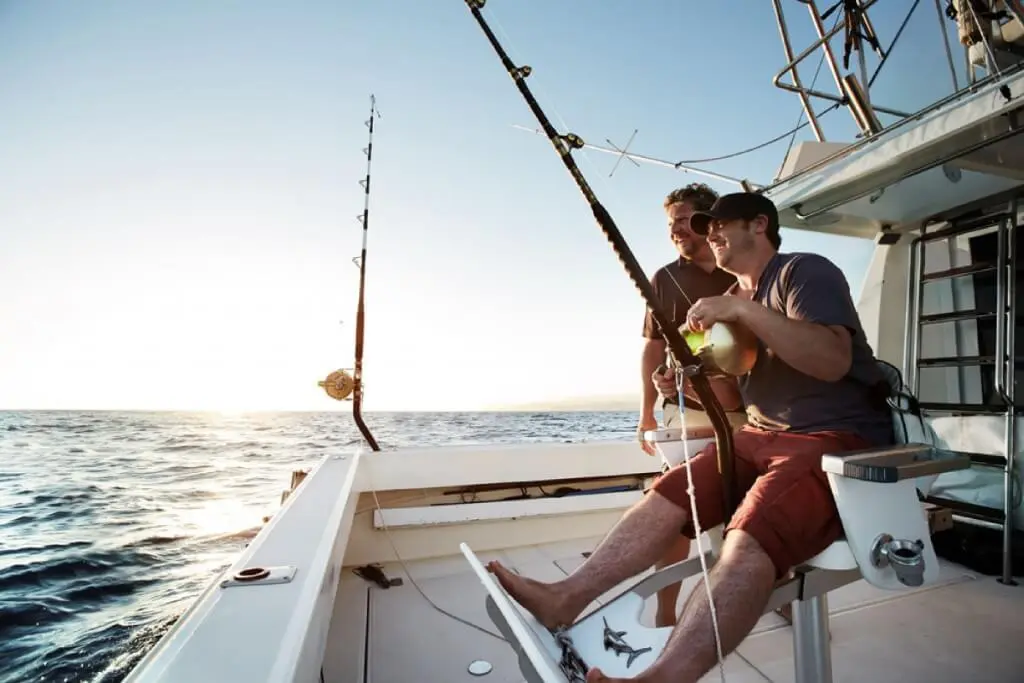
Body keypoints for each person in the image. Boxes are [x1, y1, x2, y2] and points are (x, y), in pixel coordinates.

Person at [487, 192, 894, 683]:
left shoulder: (802, 271)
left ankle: (663, 678)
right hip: (760, 433)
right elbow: (730, 399)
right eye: (707, 227)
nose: (711, 233)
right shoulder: (737, 304)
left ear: (759, 224)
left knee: (745, 538)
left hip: (834, 435)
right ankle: (565, 597)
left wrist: (739, 312)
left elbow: (832, 361)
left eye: (721, 224)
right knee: (667, 494)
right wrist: (684, 376)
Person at [636, 183, 742, 629]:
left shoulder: (740, 269)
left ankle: (777, 594)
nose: (675, 230)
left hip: (750, 406)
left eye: (683, 220)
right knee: (681, 503)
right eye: (670, 223)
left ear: (707, 221)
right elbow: (652, 348)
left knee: (748, 502)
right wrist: (646, 410)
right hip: (687, 405)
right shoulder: (665, 277)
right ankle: (665, 615)